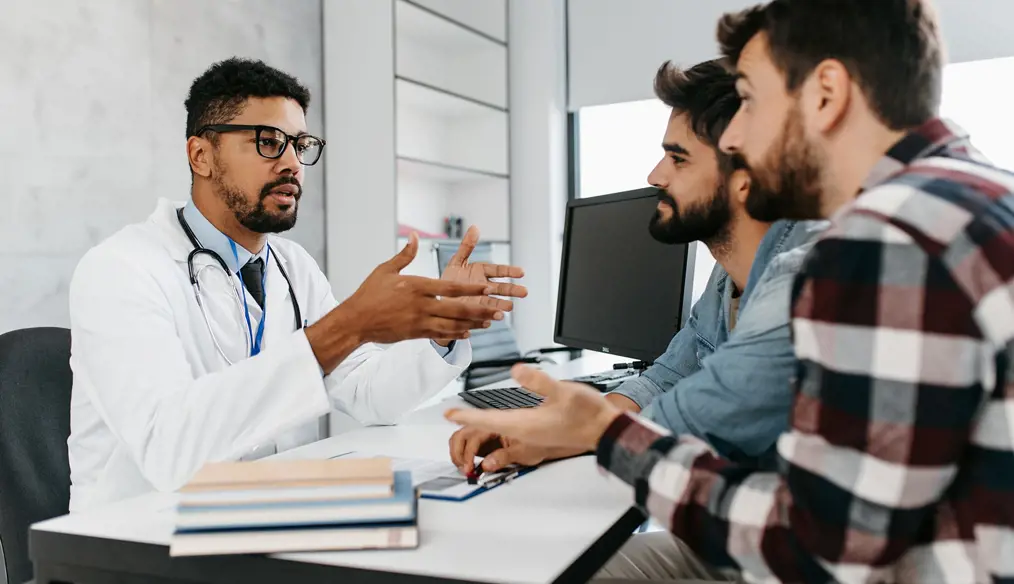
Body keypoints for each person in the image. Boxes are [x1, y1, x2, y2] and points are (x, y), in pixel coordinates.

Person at [445, 1, 1014, 582]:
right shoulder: (975, 196)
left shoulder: (880, 242)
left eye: (750, 99)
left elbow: (820, 547)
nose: (738, 135)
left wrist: (605, 434)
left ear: (826, 93)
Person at [67, 58, 526, 513]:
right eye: (269, 142)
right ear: (201, 156)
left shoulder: (292, 266)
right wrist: (348, 326)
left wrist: (441, 329)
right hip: (137, 534)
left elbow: (369, 395)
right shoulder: (119, 270)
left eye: (300, 144)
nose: (292, 163)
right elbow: (167, 449)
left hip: (262, 515)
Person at [451, 59, 823, 582]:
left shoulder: (806, 273)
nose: (655, 176)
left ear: (746, 178)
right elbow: (664, 378)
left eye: (678, 158)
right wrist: (554, 428)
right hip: (742, 548)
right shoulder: (727, 279)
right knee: (530, 570)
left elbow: (700, 418)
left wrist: (564, 434)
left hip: (799, 561)